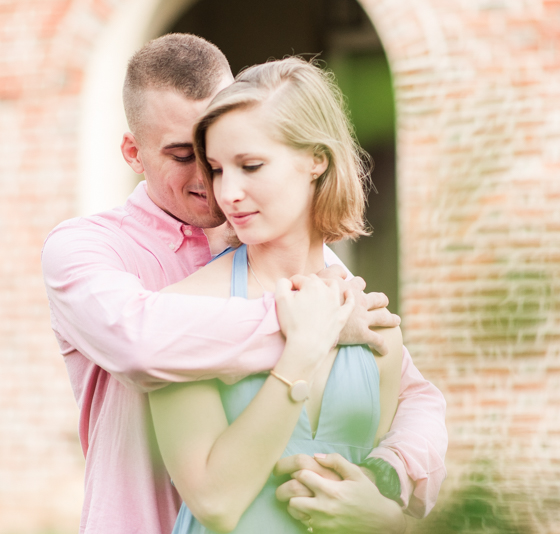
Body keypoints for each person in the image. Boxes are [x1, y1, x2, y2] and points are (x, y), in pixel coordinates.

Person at [41, 33, 447, 534]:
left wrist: (389, 495)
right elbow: (140, 343)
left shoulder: (303, 264)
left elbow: (414, 394)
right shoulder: (84, 249)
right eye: (185, 157)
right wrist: (304, 326)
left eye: (233, 156)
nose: (216, 184)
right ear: (133, 151)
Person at [149, 55, 408, 534]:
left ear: (317, 159)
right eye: (218, 169)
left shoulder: (374, 325)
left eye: (250, 166)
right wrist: (302, 352)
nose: (228, 193)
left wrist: (390, 521)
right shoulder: (183, 309)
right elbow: (215, 501)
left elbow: (380, 480)